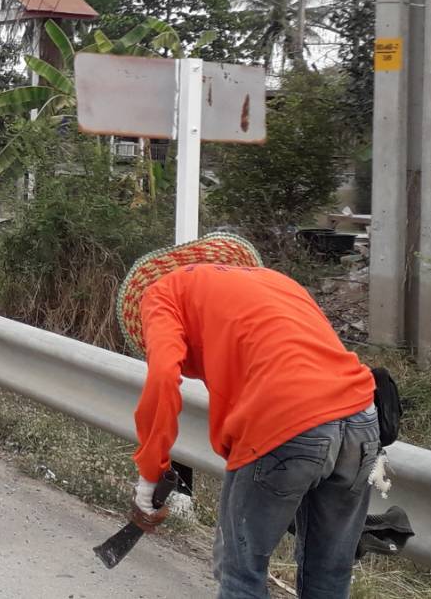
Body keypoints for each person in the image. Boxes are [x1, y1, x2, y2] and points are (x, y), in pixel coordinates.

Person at [119, 233, 378, 599]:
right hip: (362, 416)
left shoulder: (161, 293)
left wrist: (151, 475)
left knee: (241, 574)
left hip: (284, 420)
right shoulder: (276, 282)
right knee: (329, 572)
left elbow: (163, 378)